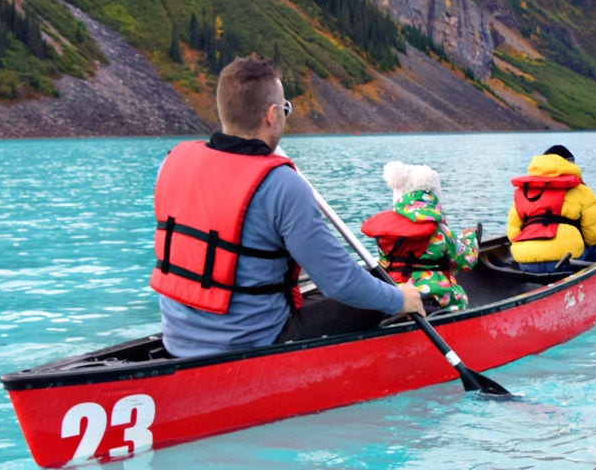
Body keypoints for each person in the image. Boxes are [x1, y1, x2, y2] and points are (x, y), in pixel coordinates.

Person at [151, 55, 422, 357]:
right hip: (254, 343)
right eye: (285, 109)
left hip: (178, 339)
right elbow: (340, 282)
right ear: (271, 115)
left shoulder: (171, 164)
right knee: (373, 289)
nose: (284, 115)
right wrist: (400, 299)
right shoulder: (282, 185)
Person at [359, 161, 477, 312]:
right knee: (458, 299)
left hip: (399, 298)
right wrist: (470, 237)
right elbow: (466, 261)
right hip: (438, 299)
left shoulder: (387, 231)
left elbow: (384, 264)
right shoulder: (439, 229)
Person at [506, 145, 596, 273]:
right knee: (593, 244)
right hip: (565, 262)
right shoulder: (581, 190)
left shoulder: (523, 191)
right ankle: (590, 274)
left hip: (526, 262)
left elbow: (513, 234)